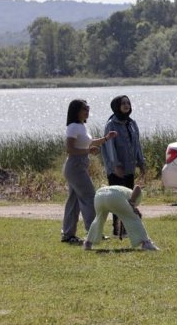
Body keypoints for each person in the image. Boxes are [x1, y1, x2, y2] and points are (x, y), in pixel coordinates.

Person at [61, 99, 117, 244]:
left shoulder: (81, 126)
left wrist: (106, 138)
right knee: (90, 198)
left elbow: (89, 143)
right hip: (75, 166)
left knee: (74, 202)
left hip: (79, 166)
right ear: (76, 111)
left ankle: (68, 235)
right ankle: (94, 233)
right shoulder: (73, 127)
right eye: (84, 109)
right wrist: (88, 151)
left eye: (88, 108)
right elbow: (70, 149)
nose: (87, 111)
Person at [101, 95, 147, 237]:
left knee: (129, 200)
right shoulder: (111, 124)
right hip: (117, 170)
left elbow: (137, 144)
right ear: (116, 106)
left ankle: (126, 229)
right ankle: (117, 230)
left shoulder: (131, 123)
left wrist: (141, 162)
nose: (126, 105)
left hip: (129, 168)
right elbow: (109, 147)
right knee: (117, 201)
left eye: (128, 103)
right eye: (123, 103)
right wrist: (116, 166)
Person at [83, 185, 159, 251]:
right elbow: (137, 187)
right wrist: (132, 204)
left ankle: (88, 242)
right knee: (134, 218)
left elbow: (122, 216)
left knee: (98, 219)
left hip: (99, 195)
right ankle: (146, 243)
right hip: (113, 196)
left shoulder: (123, 191)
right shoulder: (136, 194)